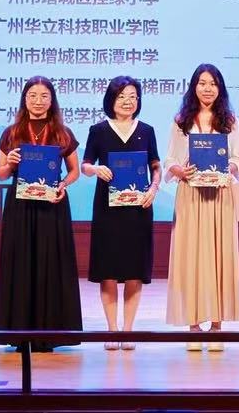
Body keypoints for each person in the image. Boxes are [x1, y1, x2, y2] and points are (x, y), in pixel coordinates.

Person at [0, 75, 82, 352]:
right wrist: (9, 163)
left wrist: (63, 185)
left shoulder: (62, 132)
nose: (38, 101)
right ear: (24, 99)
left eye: (44, 96)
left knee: (50, 264)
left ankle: (49, 335)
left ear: (52, 100)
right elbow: (0, 174)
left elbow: (75, 171)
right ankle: (20, 334)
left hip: (52, 204)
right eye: (32, 95)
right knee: (21, 263)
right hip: (20, 207)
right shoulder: (12, 132)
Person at [164, 63, 239, 350]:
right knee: (191, 256)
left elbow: (237, 157)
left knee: (220, 254)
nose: (207, 88)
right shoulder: (181, 120)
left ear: (220, 88)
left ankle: (217, 325)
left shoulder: (229, 120)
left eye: (213, 83)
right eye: (202, 83)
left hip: (219, 195)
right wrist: (178, 170)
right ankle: (194, 324)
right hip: (190, 194)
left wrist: (228, 166)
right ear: (193, 87)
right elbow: (170, 158)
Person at [82, 76, 161, 351]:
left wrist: (154, 188)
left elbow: (156, 166)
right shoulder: (98, 130)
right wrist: (95, 169)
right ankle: (111, 330)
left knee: (134, 270)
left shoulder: (147, 130)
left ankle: (128, 330)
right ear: (111, 100)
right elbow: (85, 164)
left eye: (133, 96)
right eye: (121, 96)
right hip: (108, 209)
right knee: (108, 270)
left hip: (138, 209)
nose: (128, 101)